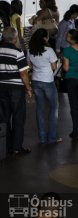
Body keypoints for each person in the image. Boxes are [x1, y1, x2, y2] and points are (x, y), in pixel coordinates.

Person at [0, 27, 33, 155]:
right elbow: (24, 74)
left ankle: (7, 146)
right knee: (18, 117)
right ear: (14, 39)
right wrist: (28, 88)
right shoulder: (17, 52)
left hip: (1, 87)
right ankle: (17, 147)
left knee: (5, 117)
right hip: (16, 89)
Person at [27, 29, 61, 144]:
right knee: (54, 108)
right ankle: (52, 137)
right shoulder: (49, 50)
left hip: (36, 80)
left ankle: (42, 137)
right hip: (48, 81)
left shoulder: (30, 50)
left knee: (40, 109)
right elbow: (54, 67)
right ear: (45, 38)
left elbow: (30, 66)